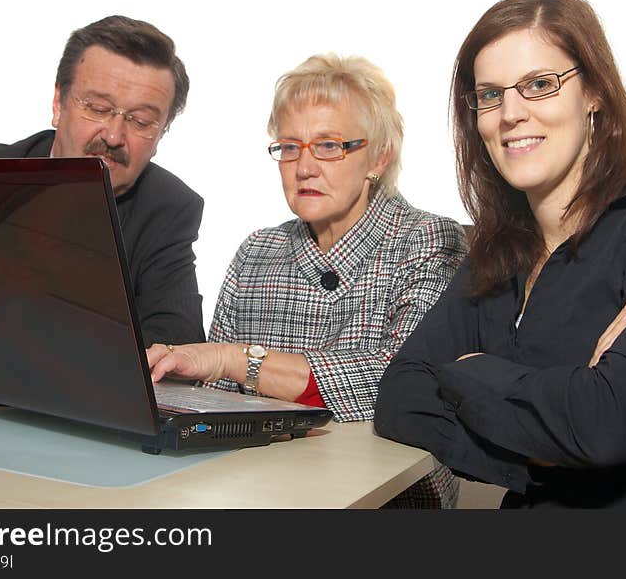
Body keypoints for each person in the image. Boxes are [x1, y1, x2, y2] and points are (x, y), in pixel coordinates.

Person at [374, 0, 626, 508]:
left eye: (539, 85)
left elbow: (608, 422)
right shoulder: (498, 255)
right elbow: (400, 394)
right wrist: (540, 448)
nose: (510, 114)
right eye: (490, 94)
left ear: (593, 91)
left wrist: (469, 371)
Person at [146, 54, 466, 507]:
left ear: (380, 155)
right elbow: (215, 401)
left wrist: (238, 361)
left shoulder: (428, 239)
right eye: (290, 146)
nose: (304, 166)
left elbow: (403, 382)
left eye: (329, 145)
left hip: (390, 501)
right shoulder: (257, 250)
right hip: (259, 490)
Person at [0, 15, 205, 407]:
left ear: (161, 134)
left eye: (141, 121)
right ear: (58, 104)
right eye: (97, 107)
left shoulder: (170, 206)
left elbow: (175, 345)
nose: (113, 135)